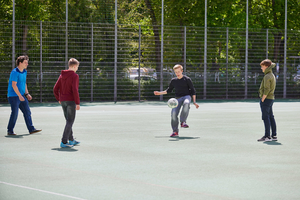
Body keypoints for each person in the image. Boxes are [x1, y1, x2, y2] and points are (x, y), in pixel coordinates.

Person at [154, 64, 199, 137]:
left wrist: (194, 102)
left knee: (186, 103)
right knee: (173, 114)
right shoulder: (173, 81)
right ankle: (175, 131)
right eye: (176, 72)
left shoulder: (187, 79)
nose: (177, 73)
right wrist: (159, 93)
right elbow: (168, 91)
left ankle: (183, 121)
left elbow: (193, 91)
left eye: (178, 71)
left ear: (182, 71)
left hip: (186, 96)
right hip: (177, 99)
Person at [7, 55, 42, 135]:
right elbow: (14, 85)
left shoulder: (24, 72)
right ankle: (10, 130)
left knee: (27, 111)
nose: (27, 64)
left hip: (21, 95)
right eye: (25, 62)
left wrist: (27, 93)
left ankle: (31, 129)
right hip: (13, 96)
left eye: (27, 62)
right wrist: (19, 95)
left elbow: (24, 83)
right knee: (15, 113)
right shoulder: (15, 72)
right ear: (20, 63)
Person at [53, 58, 81, 148]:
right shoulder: (75, 76)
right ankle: (64, 141)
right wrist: (77, 103)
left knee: (68, 121)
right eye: (77, 67)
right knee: (70, 121)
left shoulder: (62, 75)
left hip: (63, 102)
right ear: (74, 66)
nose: (77, 69)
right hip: (71, 101)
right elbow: (75, 90)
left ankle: (71, 140)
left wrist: (59, 98)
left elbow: (55, 89)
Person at [257, 59, 277, 142]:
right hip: (271, 99)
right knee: (271, 117)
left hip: (267, 99)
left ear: (267, 66)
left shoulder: (267, 76)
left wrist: (263, 99)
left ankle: (267, 136)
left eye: (262, 66)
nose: (261, 68)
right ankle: (274, 135)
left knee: (266, 117)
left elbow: (267, 89)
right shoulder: (271, 75)